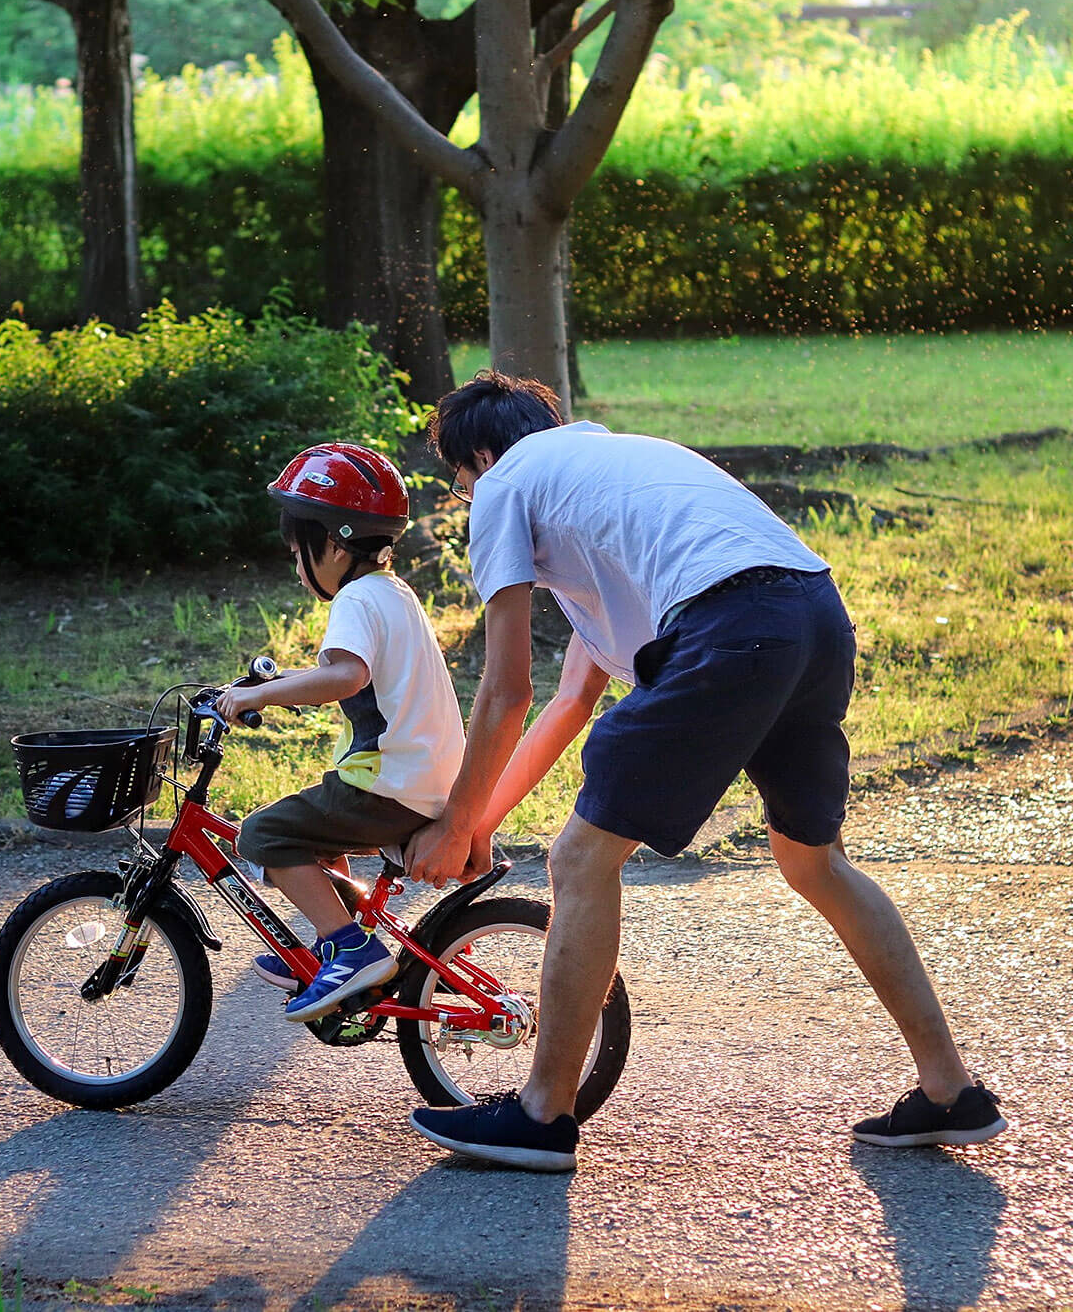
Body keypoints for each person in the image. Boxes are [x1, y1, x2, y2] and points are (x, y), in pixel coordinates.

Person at [404, 372, 1006, 1172]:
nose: (467, 496)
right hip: (813, 612)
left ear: (480, 456)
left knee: (580, 858)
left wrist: (448, 824)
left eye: (460, 480)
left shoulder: (506, 484)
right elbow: (568, 701)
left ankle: (541, 1114)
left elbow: (507, 690)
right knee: (815, 861)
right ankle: (950, 1090)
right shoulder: (609, 488)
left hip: (733, 622)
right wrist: (477, 828)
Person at [216, 442, 465, 1022]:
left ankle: (349, 947)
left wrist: (254, 695)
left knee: (263, 837)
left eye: (297, 551)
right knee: (313, 832)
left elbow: (346, 677)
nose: (298, 567)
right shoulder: (393, 591)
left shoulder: (354, 597)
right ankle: (335, 939)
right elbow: (348, 674)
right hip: (425, 776)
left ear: (330, 543)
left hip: (391, 782)